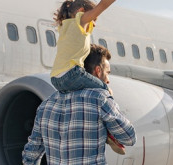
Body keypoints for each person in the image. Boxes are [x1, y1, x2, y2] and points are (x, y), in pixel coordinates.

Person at [50, 0, 125, 155]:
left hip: (56, 79)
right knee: (105, 90)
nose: (94, 24)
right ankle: (111, 131)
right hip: (72, 73)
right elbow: (102, 6)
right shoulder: (80, 20)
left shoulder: (64, 26)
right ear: (82, 11)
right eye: (94, 19)